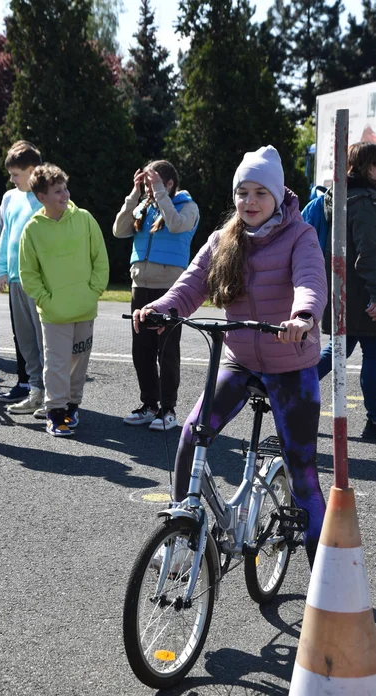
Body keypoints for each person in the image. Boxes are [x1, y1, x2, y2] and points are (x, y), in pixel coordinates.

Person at [134, 145, 327, 568]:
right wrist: (161, 309)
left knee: (303, 470)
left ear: (277, 196)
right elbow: (189, 286)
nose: (249, 202)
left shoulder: (300, 235)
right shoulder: (224, 239)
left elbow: (310, 281)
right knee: (192, 433)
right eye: (242, 193)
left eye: (260, 192)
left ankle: (324, 576)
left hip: (291, 362)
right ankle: (182, 533)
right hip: (239, 359)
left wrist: (303, 316)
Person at [19, 163, 109, 436]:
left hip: (84, 308)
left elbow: (100, 259)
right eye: (57, 191)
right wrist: (46, 300)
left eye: (65, 188)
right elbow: (28, 273)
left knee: (79, 362)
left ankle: (72, 407)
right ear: (41, 197)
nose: (65, 195)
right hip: (54, 312)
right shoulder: (32, 230)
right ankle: (55, 412)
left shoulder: (84, 219)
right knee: (56, 364)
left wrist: (93, 291)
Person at [113, 160, 199, 430]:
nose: (150, 188)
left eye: (154, 182)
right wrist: (133, 195)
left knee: (168, 350)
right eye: (148, 184)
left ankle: (168, 410)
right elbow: (119, 230)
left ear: (169, 183)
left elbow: (174, 225)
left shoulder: (187, 207)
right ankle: (149, 405)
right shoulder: (145, 206)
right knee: (142, 350)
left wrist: (160, 193)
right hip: (141, 286)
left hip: (170, 290)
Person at [318, 142, 376, 441]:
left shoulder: (341, 196)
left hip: (344, 293)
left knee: (340, 349)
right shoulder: (364, 200)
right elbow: (367, 253)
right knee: (373, 354)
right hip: (363, 295)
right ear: (368, 167)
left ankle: (292, 392)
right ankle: (375, 420)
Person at [0, 141, 45, 416]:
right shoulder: (9, 198)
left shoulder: (45, 196)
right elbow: (5, 237)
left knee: (44, 340)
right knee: (25, 341)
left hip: (39, 279)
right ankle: (35, 392)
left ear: (31, 169)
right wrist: (2, 268)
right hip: (14, 278)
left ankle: (53, 396)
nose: (12, 179)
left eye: (16, 174)